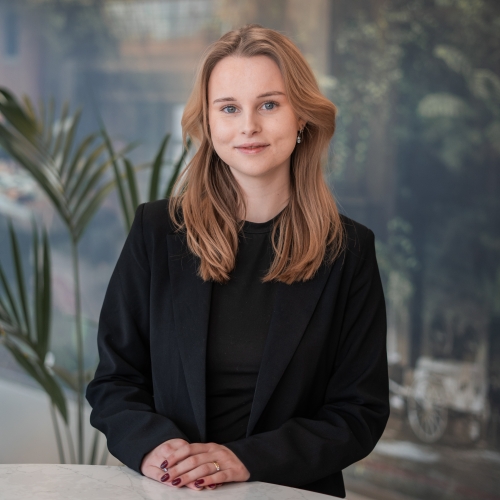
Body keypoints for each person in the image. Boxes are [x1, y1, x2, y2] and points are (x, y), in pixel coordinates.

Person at [86, 24, 389, 498]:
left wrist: (245, 460)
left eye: (269, 105)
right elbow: (115, 381)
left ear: (301, 117)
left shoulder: (348, 251)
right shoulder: (156, 231)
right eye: (229, 108)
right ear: (208, 123)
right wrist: (157, 451)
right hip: (174, 489)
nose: (248, 126)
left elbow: (358, 413)